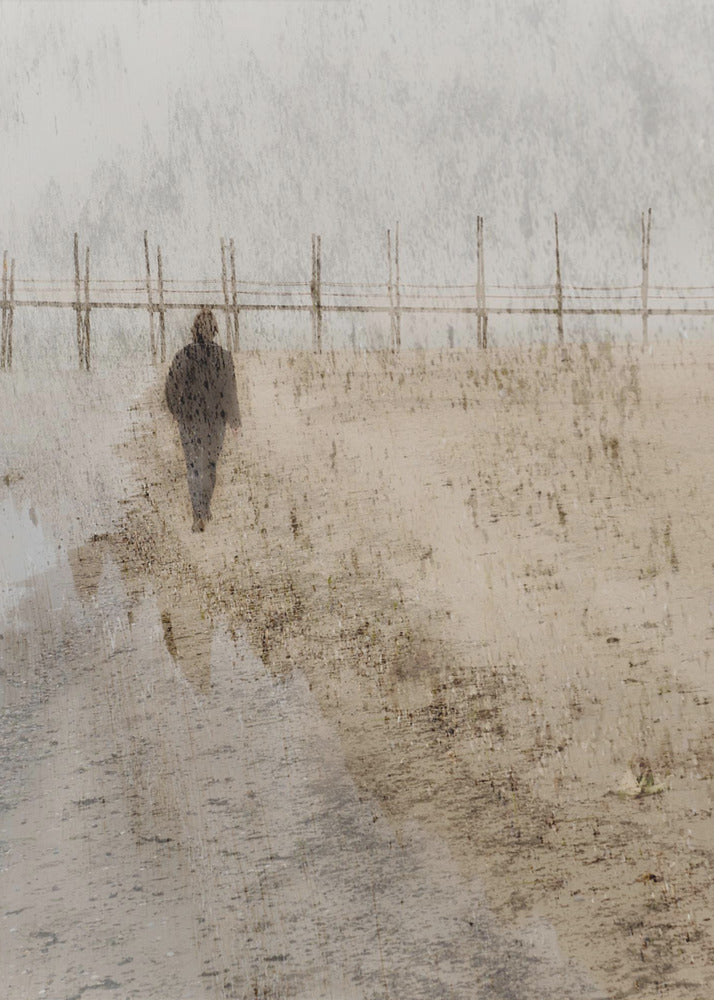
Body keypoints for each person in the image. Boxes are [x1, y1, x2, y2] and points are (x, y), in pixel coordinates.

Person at [165, 308, 240, 531]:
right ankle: (205, 508)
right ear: (215, 330)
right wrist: (234, 422)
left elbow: (170, 387)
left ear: (195, 330)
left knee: (193, 466)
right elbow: (230, 392)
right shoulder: (224, 357)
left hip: (189, 420)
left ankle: (198, 511)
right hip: (216, 421)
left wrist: (176, 412)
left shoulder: (184, 355)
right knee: (209, 465)